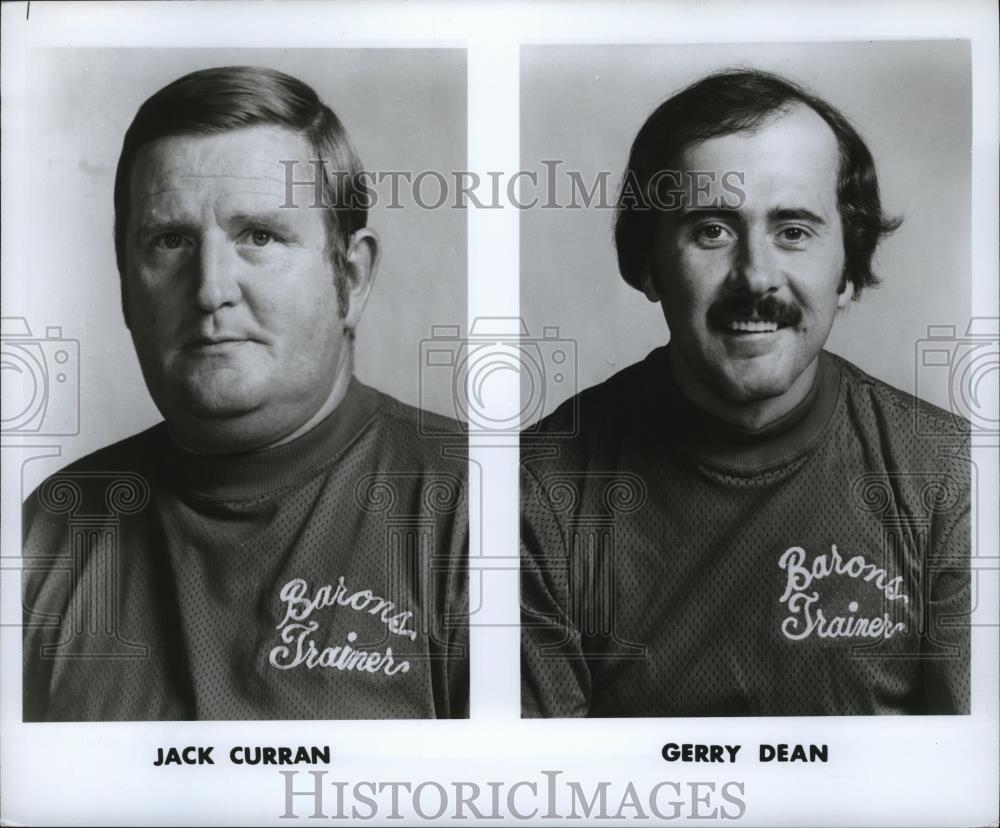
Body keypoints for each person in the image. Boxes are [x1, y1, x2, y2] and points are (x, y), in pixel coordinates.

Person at [22, 66, 468, 721]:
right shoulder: (46, 532)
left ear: (352, 274)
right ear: (124, 284)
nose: (209, 289)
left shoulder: (485, 513)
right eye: (170, 241)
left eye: (259, 236)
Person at [521, 69, 971, 717]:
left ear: (848, 271)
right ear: (649, 265)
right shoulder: (536, 495)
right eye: (712, 230)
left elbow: (971, 785)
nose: (756, 275)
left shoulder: (953, 478)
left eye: (793, 230)